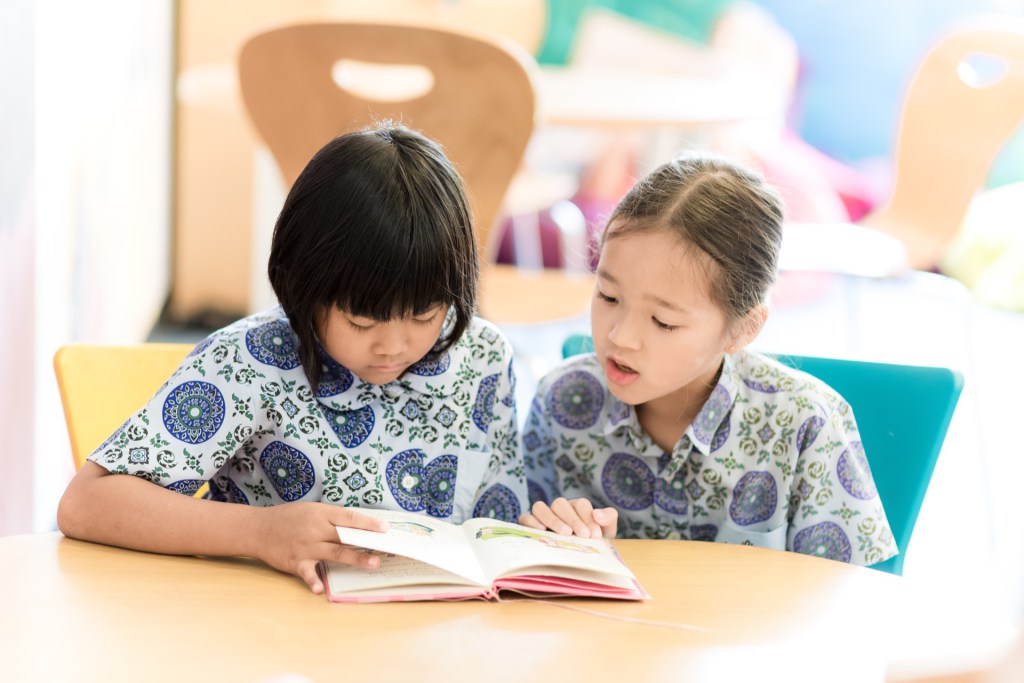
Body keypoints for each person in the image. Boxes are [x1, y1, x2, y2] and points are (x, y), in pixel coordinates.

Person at [57, 122, 527, 593]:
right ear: (303, 285)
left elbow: (498, 536)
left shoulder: (482, 358)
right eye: (361, 322)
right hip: (268, 630)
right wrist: (261, 532)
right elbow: (87, 503)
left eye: (424, 315)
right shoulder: (250, 362)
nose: (393, 346)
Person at [518, 153, 897, 567]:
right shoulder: (562, 400)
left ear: (742, 330)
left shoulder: (804, 425)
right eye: (608, 297)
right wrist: (563, 546)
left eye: (663, 322)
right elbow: (511, 556)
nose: (619, 336)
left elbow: (851, 593)